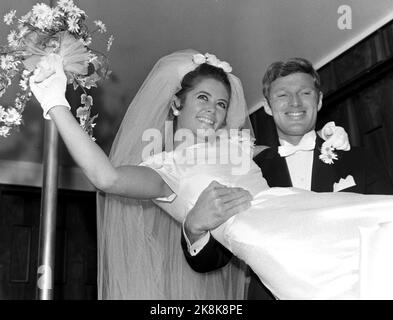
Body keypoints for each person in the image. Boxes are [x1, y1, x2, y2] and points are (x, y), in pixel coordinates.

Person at [30, 51, 359, 300]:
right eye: (203, 98)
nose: (212, 111)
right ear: (176, 103)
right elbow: (106, 178)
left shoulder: (239, 146)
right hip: (275, 247)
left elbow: (291, 147)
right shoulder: (165, 169)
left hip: (297, 215)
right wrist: (56, 104)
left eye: (221, 103)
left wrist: (328, 140)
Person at [181, 57, 393, 300]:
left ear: (319, 100)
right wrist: (193, 229)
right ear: (268, 106)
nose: (295, 102)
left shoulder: (359, 160)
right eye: (282, 95)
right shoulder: (245, 171)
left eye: (305, 92)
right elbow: (214, 258)